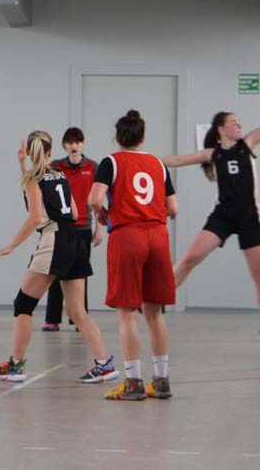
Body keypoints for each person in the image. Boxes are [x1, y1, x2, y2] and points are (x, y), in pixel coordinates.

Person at [161, 72, 260, 352]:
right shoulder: (213, 154)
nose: (239, 124)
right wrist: (142, 160)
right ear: (221, 129)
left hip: (249, 217)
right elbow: (178, 159)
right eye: (234, 121)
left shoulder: (248, 144)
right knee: (190, 258)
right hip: (223, 215)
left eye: (239, 121)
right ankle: (158, 296)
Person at [0, 130, 117, 384]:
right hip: (75, 239)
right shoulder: (60, 174)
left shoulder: (32, 178)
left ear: (30, 152)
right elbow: (76, 212)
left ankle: (16, 365)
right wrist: (24, 165)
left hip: (54, 239)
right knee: (77, 310)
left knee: (23, 305)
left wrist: (10, 246)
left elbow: (35, 216)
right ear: (50, 152)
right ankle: (105, 364)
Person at [89, 111, 178, 401]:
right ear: (143, 137)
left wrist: (102, 212)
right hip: (158, 236)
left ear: (117, 137)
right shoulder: (158, 164)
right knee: (154, 311)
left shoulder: (111, 162)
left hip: (128, 236)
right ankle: (161, 381)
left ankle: (133, 382)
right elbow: (173, 209)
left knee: (127, 312)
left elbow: (94, 198)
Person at [41, 128, 104, 332]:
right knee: (55, 273)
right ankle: (52, 319)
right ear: (64, 146)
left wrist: (99, 229)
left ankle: (79, 318)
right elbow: (41, 186)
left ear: (82, 144)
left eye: (77, 142)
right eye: (69, 142)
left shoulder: (93, 167)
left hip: (83, 227)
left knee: (79, 274)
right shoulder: (55, 166)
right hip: (60, 228)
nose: (74, 146)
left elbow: (98, 199)